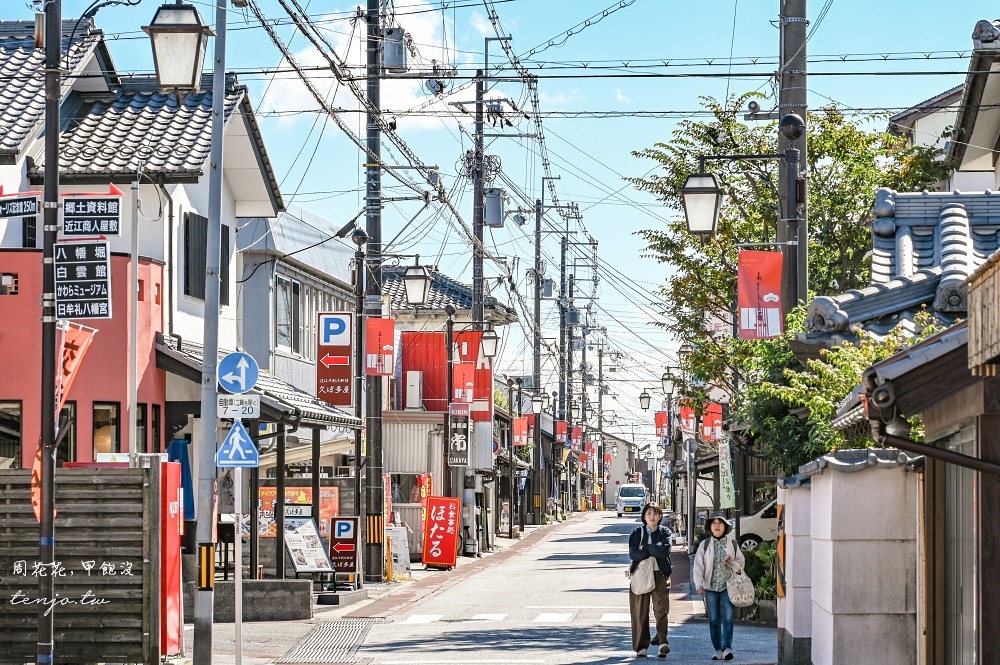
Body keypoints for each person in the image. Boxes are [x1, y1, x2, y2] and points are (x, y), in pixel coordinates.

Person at [692, 511, 746, 661]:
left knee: (728, 618)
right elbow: (698, 566)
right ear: (710, 527)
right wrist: (698, 583)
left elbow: (741, 563)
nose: (717, 526)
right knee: (714, 619)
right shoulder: (705, 544)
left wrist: (733, 563)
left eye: (720, 523)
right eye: (714, 523)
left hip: (729, 587)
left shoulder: (732, 544)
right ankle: (717, 649)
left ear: (725, 527)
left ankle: (727, 648)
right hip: (710, 587)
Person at [628, 503, 673, 658]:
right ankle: (641, 646)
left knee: (661, 610)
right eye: (649, 514)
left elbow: (665, 550)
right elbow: (634, 554)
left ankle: (662, 643)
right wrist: (655, 548)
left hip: (661, 573)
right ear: (644, 516)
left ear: (660, 516)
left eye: (655, 514)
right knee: (640, 610)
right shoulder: (636, 532)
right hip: (641, 574)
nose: (652, 517)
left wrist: (646, 548)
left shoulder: (665, 531)